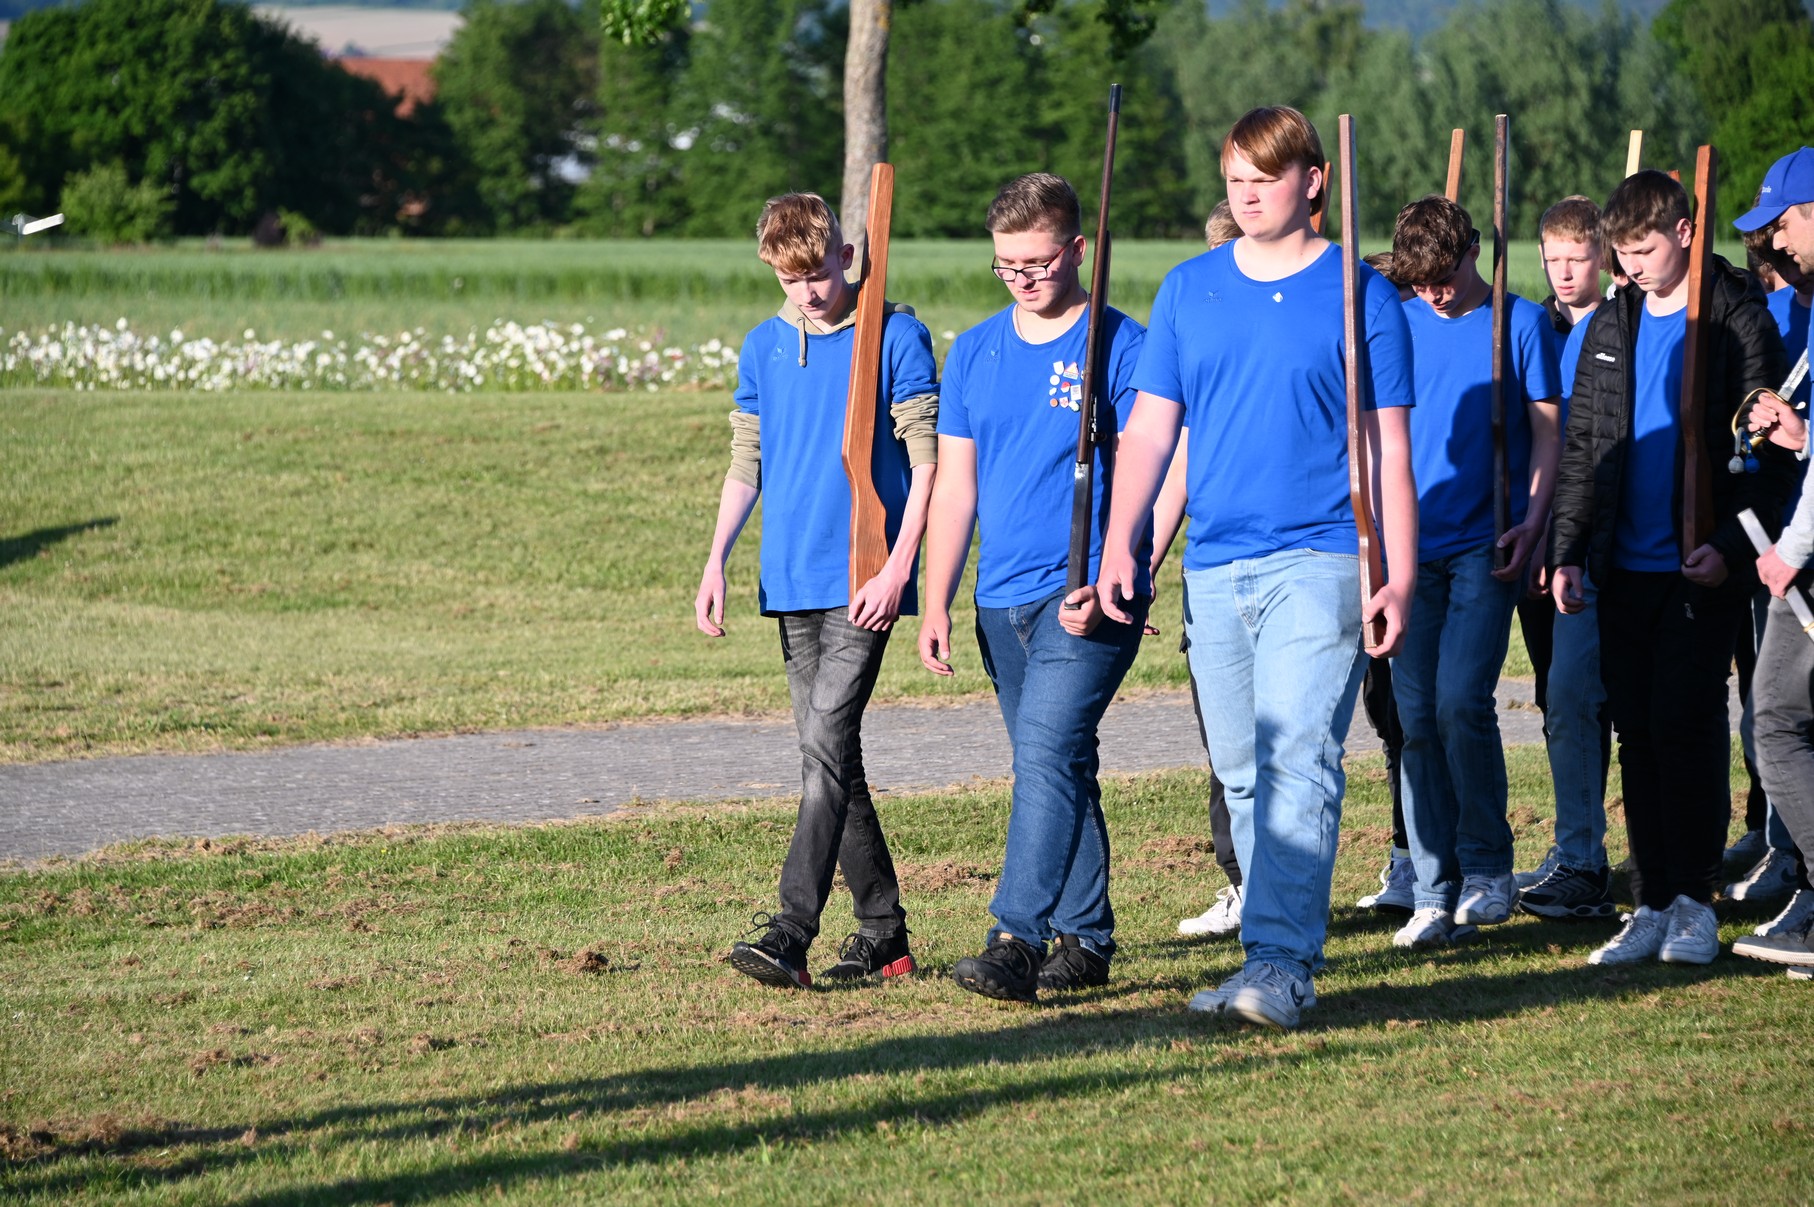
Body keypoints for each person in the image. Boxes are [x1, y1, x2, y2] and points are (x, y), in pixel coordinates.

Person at [1098, 106, 1418, 1029]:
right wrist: (1123, 540)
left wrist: (1395, 572)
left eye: (1264, 179)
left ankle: (1283, 962)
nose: (1245, 195)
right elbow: (1151, 430)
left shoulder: (1362, 295)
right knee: (1239, 770)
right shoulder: (1188, 290)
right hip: (1215, 565)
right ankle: (1261, 954)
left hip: (1321, 557)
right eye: (1234, 179)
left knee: (1297, 758)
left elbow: (1388, 450)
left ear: (1313, 181)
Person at [695, 192, 939, 989]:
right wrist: (716, 559)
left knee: (824, 753)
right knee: (831, 758)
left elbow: (928, 461)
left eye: (818, 273)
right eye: (788, 278)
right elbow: (749, 458)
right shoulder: (763, 347)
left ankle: (791, 930)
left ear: (846, 255)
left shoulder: (893, 335)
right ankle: (885, 935)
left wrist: (899, 567)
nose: (806, 291)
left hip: (866, 575)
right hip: (790, 578)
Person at [1549, 169, 1792, 966]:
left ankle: (1694, 901)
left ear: (1685, 231)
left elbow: (1766, 455)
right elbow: (1585, 445)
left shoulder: (1736, 317)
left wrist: (1729, 545)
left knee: (1686, 725)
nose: (1630, 266)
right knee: (1638, 732)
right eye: (1620, 252)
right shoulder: (1610, 322)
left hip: (1700, 567)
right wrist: (1568, 549)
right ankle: (1651, 900)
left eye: (1644, 249)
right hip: (1622, 567)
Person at [918, 173, 1149, 1002]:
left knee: (1046, 756)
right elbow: (956, 487)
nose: (1022, 278)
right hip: (999, 598)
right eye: (1007, 265)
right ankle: (1086, 941)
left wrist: (1123, 566)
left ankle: (1016, 936)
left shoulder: (1122, 345)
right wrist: (938, 598)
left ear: (1078, 249)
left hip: (1086, 594)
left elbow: (1155, 469)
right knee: (1056, 761)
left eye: (1038, 262)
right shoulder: (975, 351)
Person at [1387, 195, 1562, 947]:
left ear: (1473, 253)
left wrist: (1535, 518)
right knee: (1415, 716)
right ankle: (1433, 886)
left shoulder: (1518, 325)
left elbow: (1549, 435)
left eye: (1445, 278)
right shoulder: (1396, 322)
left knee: (1461, 699)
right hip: (1408, 547)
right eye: (1420, 282)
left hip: (1486, 543)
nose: (1434, 294)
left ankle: (1489, 866)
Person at [1514, 196, 1619, 920]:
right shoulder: (1540, 330)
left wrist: (1566, 538)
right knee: (1562, 696)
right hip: (1547, 539)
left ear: (1602, 258)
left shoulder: (1614, 331)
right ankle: (1575, 846)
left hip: (1593, 543)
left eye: (1577, 258)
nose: (1563, 272)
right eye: (1552, 259)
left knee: (1588, 696)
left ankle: (1593, 855)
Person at [1725, 209, 1814, 916]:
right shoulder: (1790, 314)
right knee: (1775, 719)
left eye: (1786, 227)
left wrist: (1793, 549)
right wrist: (1798, 434)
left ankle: (1797, 869)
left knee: (1776, 721)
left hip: (1798, 550)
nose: (1777, 246)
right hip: (1788, 540)